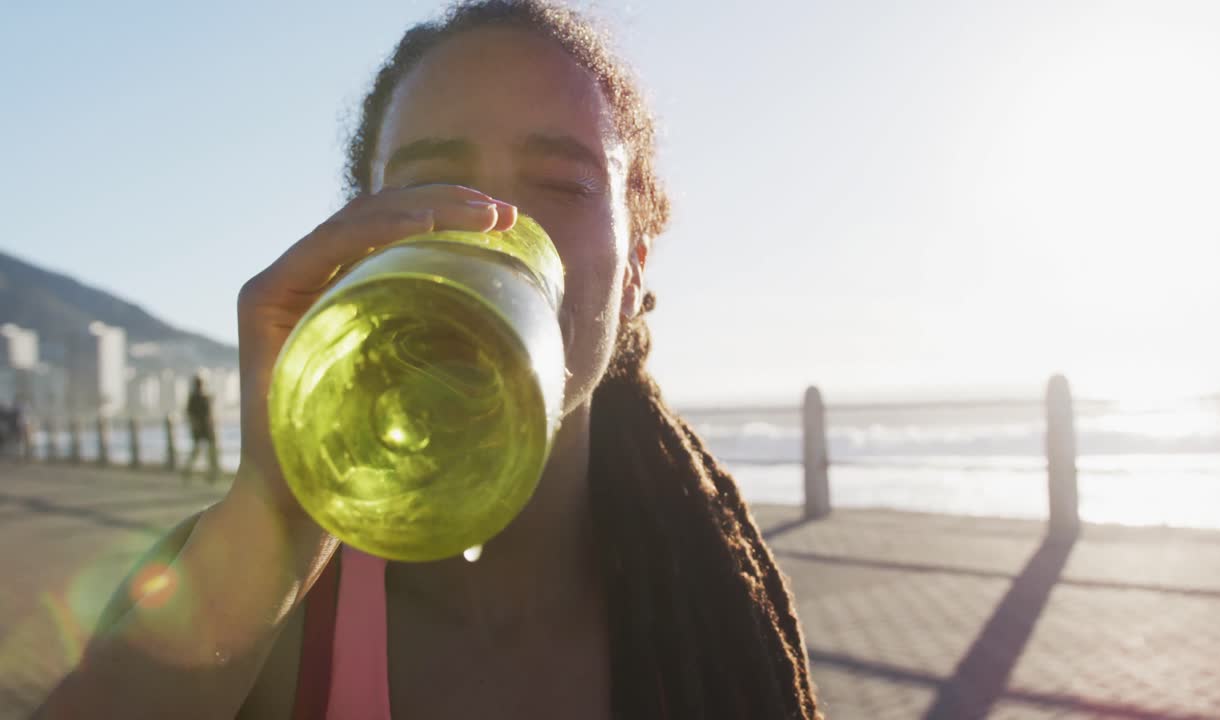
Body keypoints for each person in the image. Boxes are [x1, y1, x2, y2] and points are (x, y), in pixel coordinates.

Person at [37, 2, 822, 718]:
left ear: (634, 275)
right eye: (430, 186)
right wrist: (272, 521)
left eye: (563, 184)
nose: (492, 227)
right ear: (359, 243)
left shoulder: (697, 599)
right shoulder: (257, 619)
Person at [182, 375, 219, 483]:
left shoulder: (203, 397)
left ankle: (212, 473)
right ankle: (190, 471)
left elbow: (209, 414)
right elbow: (192, 415)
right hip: (202, 429)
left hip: (206, 428)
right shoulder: (195, 398)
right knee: (200, 451)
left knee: (209, 451)